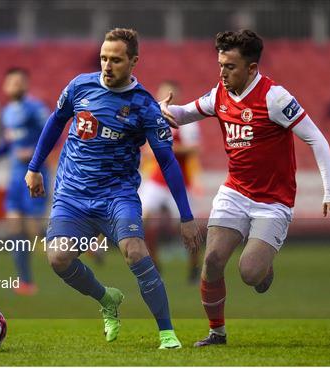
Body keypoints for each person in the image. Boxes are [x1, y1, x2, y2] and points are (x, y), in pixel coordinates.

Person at [159, 30, 330, 347]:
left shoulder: (276, 98)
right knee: (213, 260)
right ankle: (217, 333)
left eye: (230, 66)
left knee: (249, 273)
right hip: (235, 192)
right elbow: (185, 112)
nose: (222, 73)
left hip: (273, 201)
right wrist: (161, 109)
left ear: (252, 69)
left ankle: (263, 267)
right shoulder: (220, 93)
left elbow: (316, 138)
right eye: (220, 65)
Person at [25, 28, 203, 349]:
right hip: (72, 196)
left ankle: (167, 333)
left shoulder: (145, 106)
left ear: (133, 61)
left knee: (135, 250)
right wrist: (34, 168)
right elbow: (55, 121)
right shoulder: (80, 86)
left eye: (116, 60)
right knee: (58, 258)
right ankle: (107, 299)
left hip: (116, 195)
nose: (107, 65)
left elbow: (167, 162)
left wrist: (186, 216)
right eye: (104, 58)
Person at [0, 67, 50, 296]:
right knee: (14, 227)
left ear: (26, 85)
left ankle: (80, 248)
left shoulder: (36, 108)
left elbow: (52, 133)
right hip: (15, 178)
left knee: (34, 230)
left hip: (35, 174)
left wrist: (33, 152)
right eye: (12, 82)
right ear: (5, 86)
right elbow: (10, 143)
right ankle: (26, 281)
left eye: (20, 81)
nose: (16, 85)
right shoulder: (7, 111)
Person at [139, 80, 202, 282]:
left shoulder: (187, 121)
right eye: (163, 94)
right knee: (142, 219)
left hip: (180, 182)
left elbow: (193, 148)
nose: (166, 99)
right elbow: (147, 149)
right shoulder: (151, 118)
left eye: (171, 95)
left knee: (188, 229)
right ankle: (154, 264)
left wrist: (165, 148)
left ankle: (194, 266)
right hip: (157, 180)